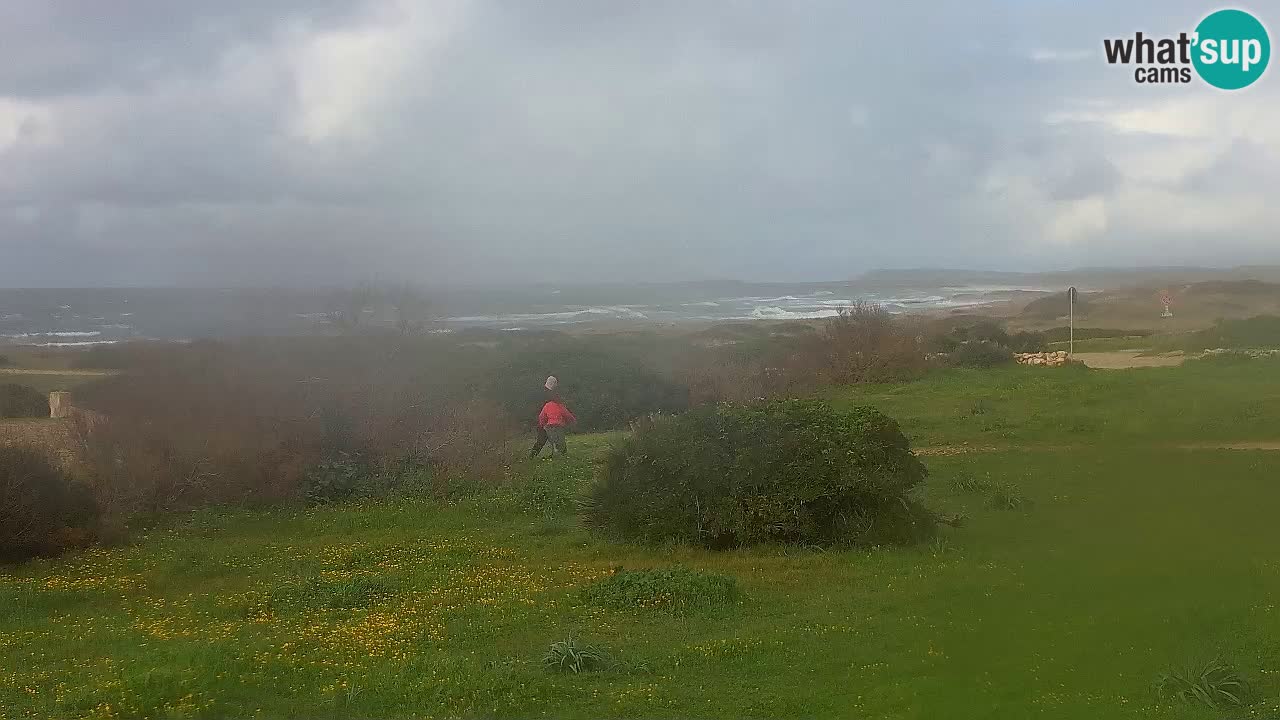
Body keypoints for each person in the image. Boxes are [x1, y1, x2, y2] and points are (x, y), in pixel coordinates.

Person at [531, 391, 576, 458]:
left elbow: (541, 416)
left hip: (549, 426)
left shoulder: (547, 405)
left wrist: (542, 425)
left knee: (548, 441)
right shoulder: (560, 406)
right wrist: (573, 421)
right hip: (559, 426)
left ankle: (532, 455)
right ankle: (562, 455)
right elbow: (567, 415)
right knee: (560, 441)